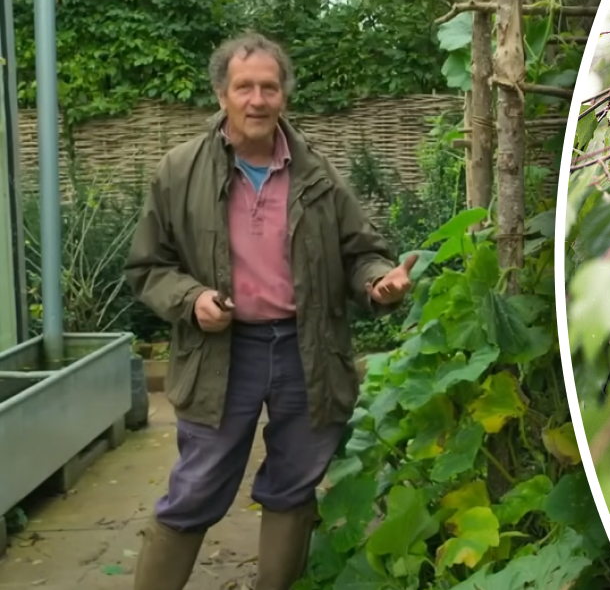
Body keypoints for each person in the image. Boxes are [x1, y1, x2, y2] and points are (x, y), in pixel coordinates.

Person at [124, 31, 416, 590]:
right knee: (198, 487)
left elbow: (361, 254)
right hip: (219, 354)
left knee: (293, 484)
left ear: (284, 96)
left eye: (269, 87)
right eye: (244, 87)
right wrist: (192, 300)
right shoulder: (179, 171)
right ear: (221, 94)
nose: (257, 100)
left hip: (306, 350)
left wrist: (379, 282)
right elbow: (148, 268)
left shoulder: (318, 175)